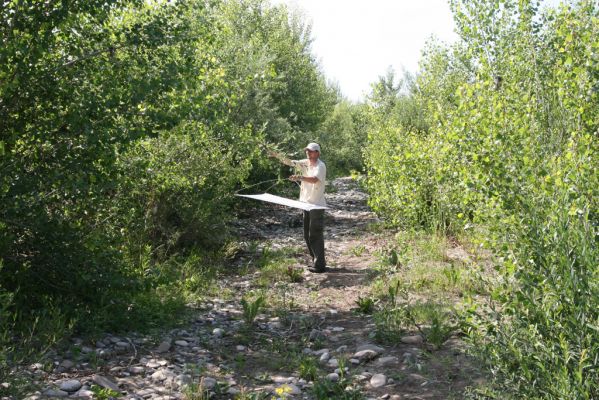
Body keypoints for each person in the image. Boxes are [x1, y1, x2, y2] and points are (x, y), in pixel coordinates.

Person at [269, 142, 327, 273]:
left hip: (316, 205)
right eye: (307, 151)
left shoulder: (320, 166)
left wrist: (300, 177)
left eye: (311, 151)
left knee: (315, 234)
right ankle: (316, 261)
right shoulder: (305, 163)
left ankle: (320, 265)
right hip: (305, 204)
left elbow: (314, 179)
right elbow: (290, 162)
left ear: (317, 153)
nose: (309, 153)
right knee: (306, 234)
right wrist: (276, 155)